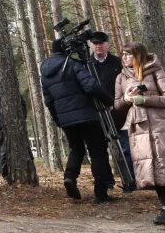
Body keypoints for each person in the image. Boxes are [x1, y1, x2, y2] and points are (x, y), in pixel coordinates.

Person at [114, 43, 165, 226]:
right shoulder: (121, 77)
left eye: (128, 54)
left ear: (139, 55)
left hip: (160, 124)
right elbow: (116, 105)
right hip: (139, 127)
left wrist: (144, 99)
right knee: (151, 167)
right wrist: (126, 99)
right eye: (123, 55)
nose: (125, 58)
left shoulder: (156, 71)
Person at [39, 38, 114, 203]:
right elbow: (90, 86)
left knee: (76, 149)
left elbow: (48, 101)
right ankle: (101, 193)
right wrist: (109, 100)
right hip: (87, 115)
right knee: (97, 151)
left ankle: (70, 178)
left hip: (66, 119)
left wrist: (58, 119)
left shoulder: (45, 72)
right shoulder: (72, 64)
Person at [87, 31, 132, 190]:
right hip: (95, 113)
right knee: (99, 150)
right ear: (91, 45)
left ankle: (130, 181)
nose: (98, 46)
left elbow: (128, 82)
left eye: (101, 43)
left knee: (125, 147)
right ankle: (106, 182)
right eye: (95, 43)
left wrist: (120, 102)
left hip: (118, 111)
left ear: (108, 44)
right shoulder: (86, 64)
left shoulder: (117, 62)